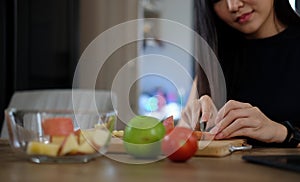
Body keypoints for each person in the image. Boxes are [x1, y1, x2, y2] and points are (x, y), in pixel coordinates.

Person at [179, 0, 300, 147]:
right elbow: (180, 138)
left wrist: (282, 133)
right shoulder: (215, 60)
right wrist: (193, 123)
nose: (233, 6)